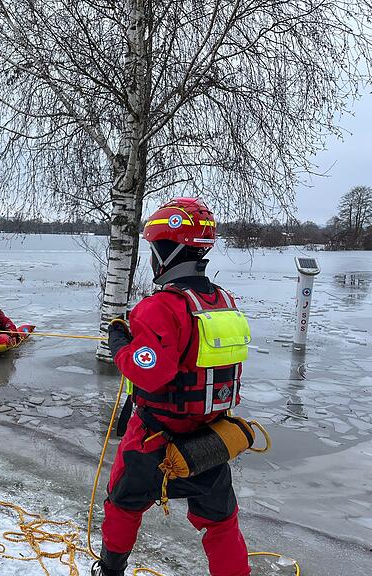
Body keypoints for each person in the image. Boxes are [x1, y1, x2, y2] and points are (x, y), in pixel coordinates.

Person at [92, 198, 251, 576]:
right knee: (222, 522)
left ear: (167, 251)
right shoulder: (223, 302)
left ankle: (111, 571)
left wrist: (119, 343)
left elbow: (148, 372)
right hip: (211, 439)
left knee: (122, 504)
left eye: (154, 249)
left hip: (154, 440)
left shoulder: (159, 307)